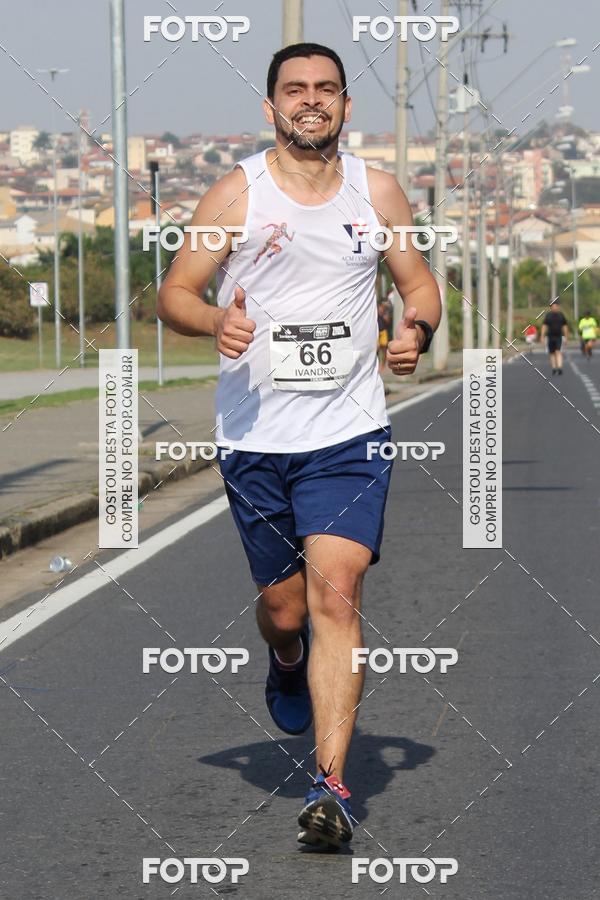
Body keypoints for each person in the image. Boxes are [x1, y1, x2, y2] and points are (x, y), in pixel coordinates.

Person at [157, 42, 441, 849]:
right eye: (294, 90)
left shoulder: (375, 190)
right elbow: (176, 290)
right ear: (272, 107)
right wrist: (215, 320)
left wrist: (414, 326)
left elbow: (418, 280)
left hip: (348, 434)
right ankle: (284, 659)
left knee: (337, 594)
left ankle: (333, 786)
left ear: (347, 104)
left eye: (326, 89)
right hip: (255, 437)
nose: (310, 100)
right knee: (286, 610)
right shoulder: (236, 194)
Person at [541, 299, 569, 375]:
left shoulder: (561, 315)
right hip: (550, 336)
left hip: (559, 336)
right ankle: (554, 368)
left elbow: (565, 326)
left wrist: (566, 337)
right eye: (552, 306)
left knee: (558, 351)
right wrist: (542, 336)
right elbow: (544, 326)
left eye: (556, 306)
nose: (554, 307)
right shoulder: (548, 315)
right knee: (552, 353)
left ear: (558, 306)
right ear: (550, 307)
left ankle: (559, 367)